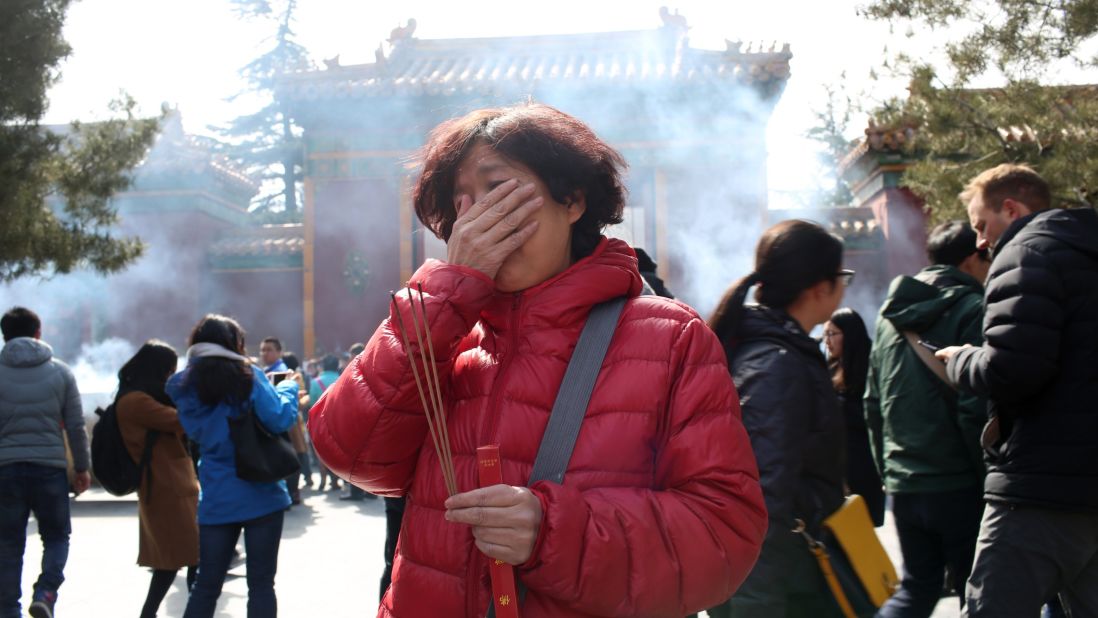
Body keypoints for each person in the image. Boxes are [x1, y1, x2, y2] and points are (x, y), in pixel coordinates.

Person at [309, 103, 767, 617]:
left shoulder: (672, 339)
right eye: (462, 204)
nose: (477, 220)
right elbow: (351, 453)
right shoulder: (449, 335)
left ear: (571, 200)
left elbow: (724, 534)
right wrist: (443, 302)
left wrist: (554, 532)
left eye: (497, 189)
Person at [936, 164, 1098, 617]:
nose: (981, 243)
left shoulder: (1025, 252)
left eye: (981, 225)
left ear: (1011, 208)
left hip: (1038, 486)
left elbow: (1012, 369)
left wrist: (962, 360)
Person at [706, 219, 852, 617]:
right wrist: (759, 604)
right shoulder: (777, 365)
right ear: (819, 287)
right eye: (843, 277)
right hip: (781, 585)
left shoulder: (772, 349)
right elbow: (761, 494)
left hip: (786, 574)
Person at [865, 220, 990, 617]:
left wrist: (889, 473)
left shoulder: (889, 319)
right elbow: (974, 408)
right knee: (981, 591)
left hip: (904, 484)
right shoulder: (973, 310)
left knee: (917, 590)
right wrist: (987, 479)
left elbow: (872, 402)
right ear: (972, 260)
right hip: (959, 483)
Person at [167, 314, 299, 618]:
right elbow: (279, 417)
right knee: (262, 584)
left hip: (216, 493)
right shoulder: (248, 376)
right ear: (234, 342)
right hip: (261, 491)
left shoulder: (185, 386)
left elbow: (196, 431)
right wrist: (289, 389)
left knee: (206, 585)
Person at [0, 307, 90, 618]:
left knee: (8, 543)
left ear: (4, 335)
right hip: (49, 469)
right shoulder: (61, 372)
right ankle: (46, 593)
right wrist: (82, 468)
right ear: (39, 333)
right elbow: (76, 426)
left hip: (6, 470)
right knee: (56, 536)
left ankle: (8, 609)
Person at [114, 340, 200, 618]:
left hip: (170, 483)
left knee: (179, 559)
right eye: (169, 371)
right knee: (179, 558)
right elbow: (180, 420)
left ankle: (185, 610)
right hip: (165, 485)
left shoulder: (138, 396)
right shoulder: (136, 401)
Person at [823, 307, 885, 527]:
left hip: (864, 465)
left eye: (832, 334)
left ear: (849, 334)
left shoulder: (871, 367)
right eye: (825, 335)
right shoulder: (829, 369)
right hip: (838, 469)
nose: (827, 341)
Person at [280, 352, 312, 504]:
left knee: (295, 457)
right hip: (292, 422)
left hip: (292, 423)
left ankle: (293, 491)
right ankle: (293, 490)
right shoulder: (291, 376)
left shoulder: (296, 377)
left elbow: (303, 398)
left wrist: (301, 400)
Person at [310, 355, 341, 493]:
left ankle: (323, 481)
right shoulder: (343, 379)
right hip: (339, 422)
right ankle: (335, 481)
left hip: (320, 423)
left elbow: (311, 403)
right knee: (337, 451)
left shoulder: (315, 382)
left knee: (321, 451)